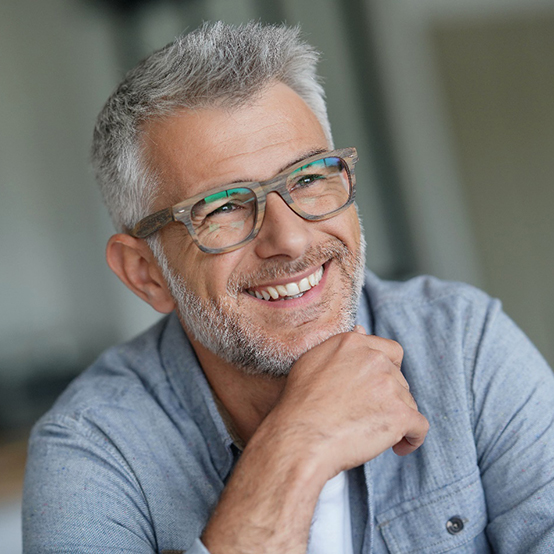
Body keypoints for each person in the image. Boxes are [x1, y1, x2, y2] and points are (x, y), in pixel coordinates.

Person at [22, 21, 554, 554]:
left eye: (307, 178)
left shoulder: (462, 343)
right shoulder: (92, 446)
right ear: (147, 273)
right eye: (224, 206)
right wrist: (295, 447)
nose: (292, 240)